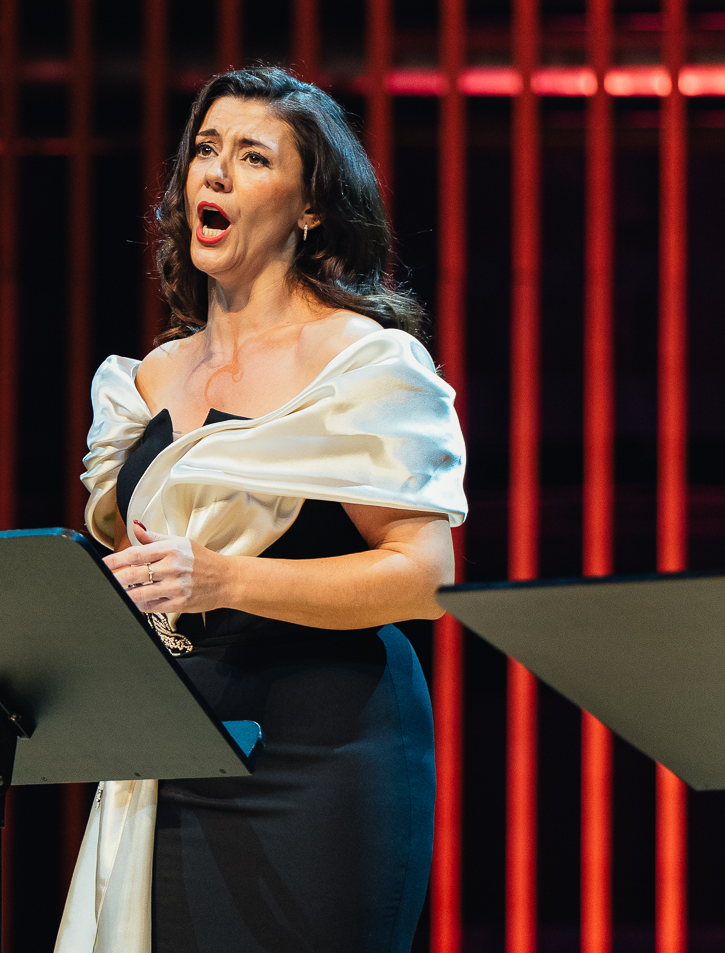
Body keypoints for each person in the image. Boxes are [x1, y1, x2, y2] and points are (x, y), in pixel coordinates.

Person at [55, 66, 468, 953]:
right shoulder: (146, 381)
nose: (215, 171)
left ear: (311, 207)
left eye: (252, 156)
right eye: (206, 149)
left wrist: (225, 580)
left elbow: (424, 577)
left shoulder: (362, 363)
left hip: (323, 754)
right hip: (169, 743)